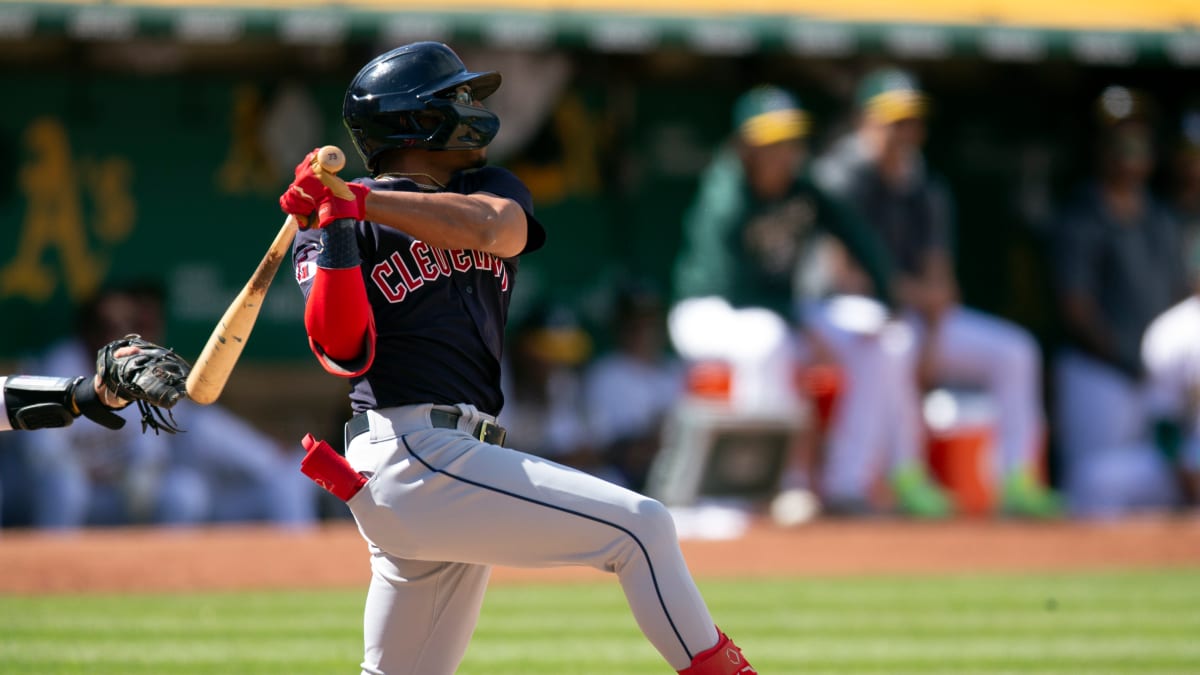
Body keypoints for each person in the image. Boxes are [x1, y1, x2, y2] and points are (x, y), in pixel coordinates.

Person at [280, 42, 756, 674]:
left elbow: (492, 230)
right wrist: (336, 228)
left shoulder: (483, 186)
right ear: (416, 121)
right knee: (642, 527)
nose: (473, 107)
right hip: (412, 452)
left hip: (453, 460)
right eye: (455, 98)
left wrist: (358, 202)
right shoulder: (332, 222)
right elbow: (340, 347)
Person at [671, 84, 950, 518]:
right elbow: (735, 289)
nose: (784, 151)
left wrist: (888, 291)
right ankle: (776, 483)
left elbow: (858, 234)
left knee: (882, 338)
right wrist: (803, 328)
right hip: (708, 311)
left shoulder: (803, 187)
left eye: (790, 140)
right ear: (747, 146)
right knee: (767, 340)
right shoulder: (726, 193)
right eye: (772, 142)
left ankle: (847, 483)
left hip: (781, 313)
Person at [813, 67, 1059, 518]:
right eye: (894, 122)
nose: (907, 133)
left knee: (1015, 350)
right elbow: (845, 275)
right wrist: (919, 308)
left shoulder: (925, 185)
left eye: (912, 122)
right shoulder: (841, 175)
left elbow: (941, 279)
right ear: (866, 121)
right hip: (840, 311)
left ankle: (1017, 479)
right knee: (893, 342)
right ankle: (900, 474)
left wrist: (931, 329)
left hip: (912, 315)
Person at [1050, 86, 1190, 518]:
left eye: (1138, 138)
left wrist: (1159, 369)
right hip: (1100, 377)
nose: (1131, 149)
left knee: (1155, 498)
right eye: (1119, 138)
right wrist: (1130, 359)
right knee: (1092, 492)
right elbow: (1075, 304)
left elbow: (1180, 295)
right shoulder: (1080, 213)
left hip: (1154, 382)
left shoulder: (1162, 218)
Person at [582, 280, 686, 492]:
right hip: (622, 480)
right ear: (620, 325)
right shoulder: (605, 374)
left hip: (676, 472)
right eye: (635, 323)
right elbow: (603, 449)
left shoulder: (675, 371)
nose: (644, 331)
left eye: (650, 321)